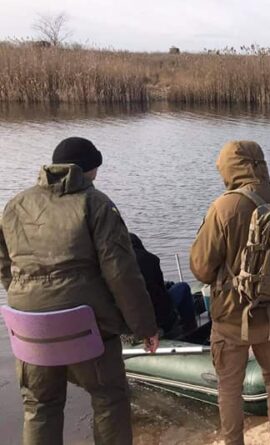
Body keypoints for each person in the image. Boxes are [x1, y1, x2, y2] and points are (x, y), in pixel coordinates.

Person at [0, 137, 159, 445]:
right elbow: (121, 272)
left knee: (40, 405)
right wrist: (144, 327)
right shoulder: (95, 202)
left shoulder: (15, 204)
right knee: (109, 398)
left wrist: (29, 301)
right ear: (91, 169)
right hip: (85, 326)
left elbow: (4, 266)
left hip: (29, 325)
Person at [190, 141, 270, 445]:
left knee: (229, 388)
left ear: (230, 168)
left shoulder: (224, 207)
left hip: (232, 317)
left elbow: (200, 268)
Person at [129, 233, 197, 337]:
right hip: (157, 315)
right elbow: (161, 290)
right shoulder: (151, 259)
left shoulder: (114, 265)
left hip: (131, 319)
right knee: (183, 287)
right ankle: (190, 327)